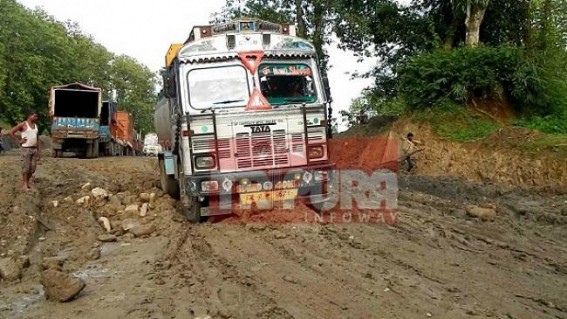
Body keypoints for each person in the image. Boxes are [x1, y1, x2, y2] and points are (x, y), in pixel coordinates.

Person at [10, 110, 40, 190]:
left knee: (33, 168)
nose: (36, 117)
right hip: (26, 149)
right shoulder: (23, 124)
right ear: (29, 116)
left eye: (36, 116)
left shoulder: (35, 125)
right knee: (26, 167)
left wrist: (38, 151)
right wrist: (19, 141)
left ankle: (27, 181)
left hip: (34, 149)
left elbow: (37, 138)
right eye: (35, 116)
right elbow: (11, 132)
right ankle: (25, 183)